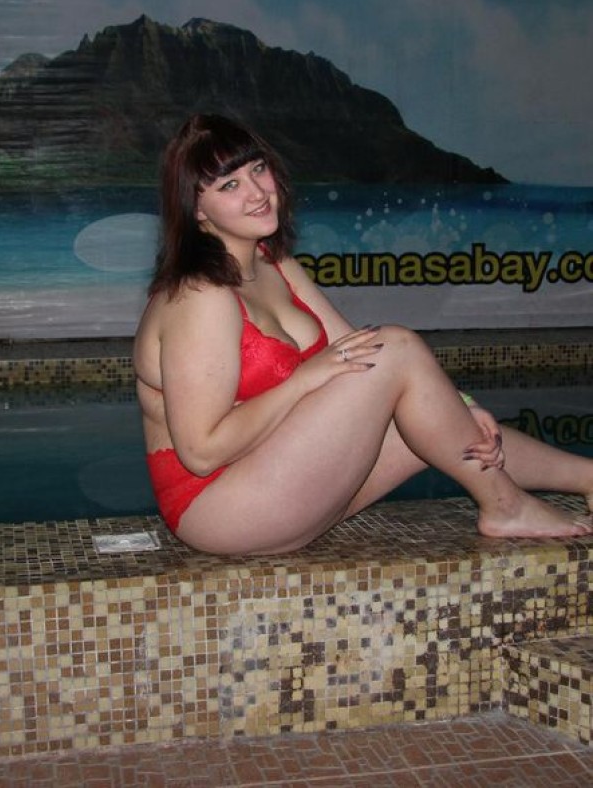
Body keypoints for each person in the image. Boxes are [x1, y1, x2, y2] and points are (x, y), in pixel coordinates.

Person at [133, 112, 593, 555]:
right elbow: (201, 452)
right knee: (397, 347)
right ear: (197, 209)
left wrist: (465, 406)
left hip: (281, 484)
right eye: (230, 185)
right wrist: (303, 380)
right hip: (219, 510)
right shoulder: (199, 297)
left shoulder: (275, 263)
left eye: (258, 169)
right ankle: (506, 507)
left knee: (428, 418)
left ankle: (588, 477)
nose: (256, 192)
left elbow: (357, 351)